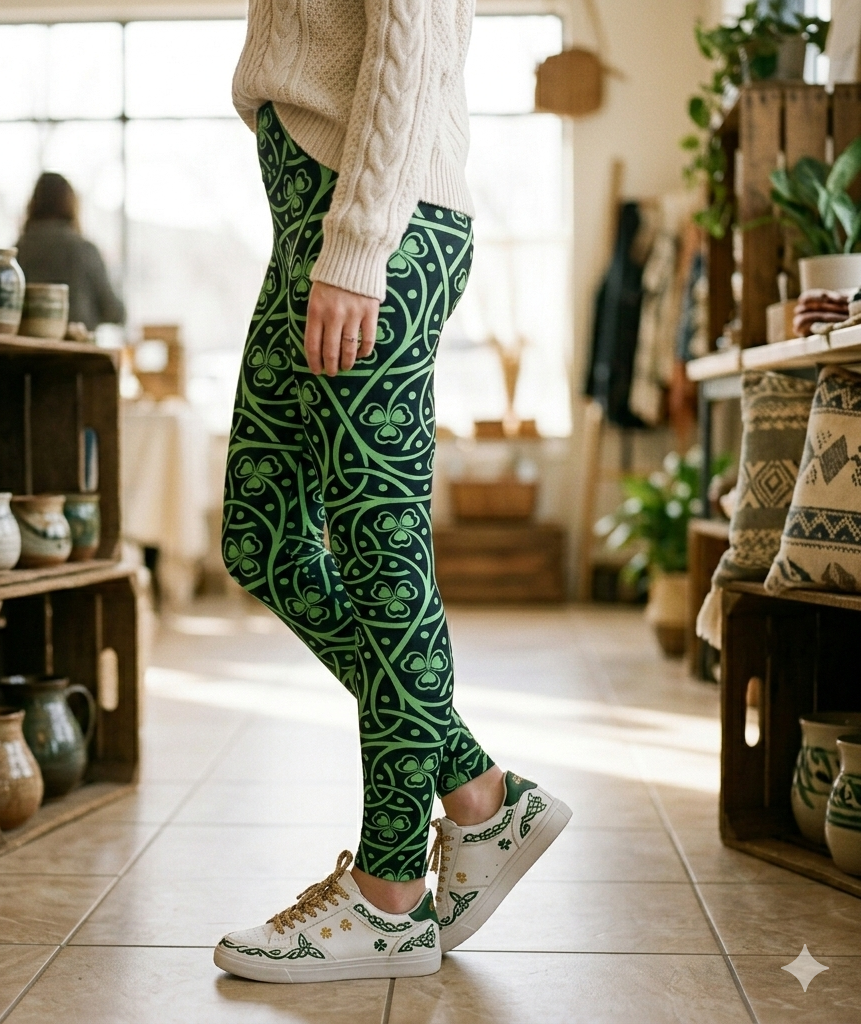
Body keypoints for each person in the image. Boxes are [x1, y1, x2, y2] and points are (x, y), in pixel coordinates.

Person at [213, 0, 571, 984]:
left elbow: (409, 36)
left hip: (371, 221)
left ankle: (388, 895)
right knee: (264, 535)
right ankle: (476, 791)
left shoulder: (365, 234)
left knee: (381, 553)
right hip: (314, 214)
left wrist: (360, 243)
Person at [15, 172, 124, 331]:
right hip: (77, 352)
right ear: (71, 204)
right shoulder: (84, 250)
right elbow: (114, 312)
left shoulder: (16, 252)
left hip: (22, 353)